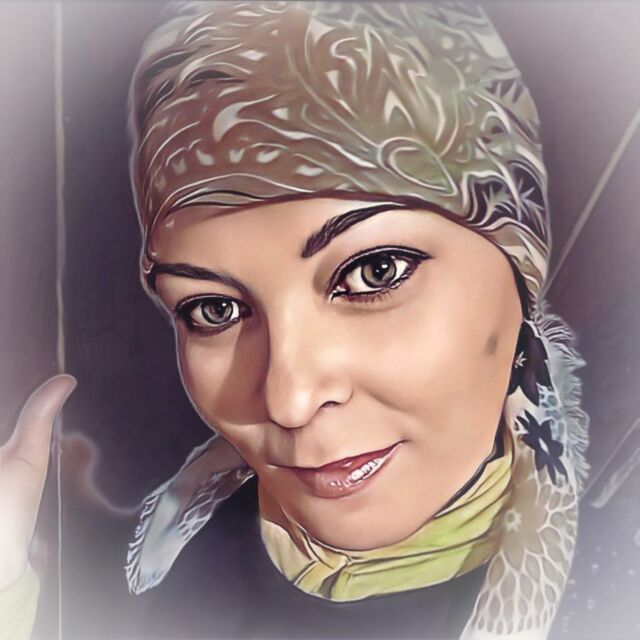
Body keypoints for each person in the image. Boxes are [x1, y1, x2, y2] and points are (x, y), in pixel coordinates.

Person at [0, 2, 589, 639]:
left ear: (519, 268)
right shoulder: (167, 563)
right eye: (215, 310)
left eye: (375, 273)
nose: (290, 399)